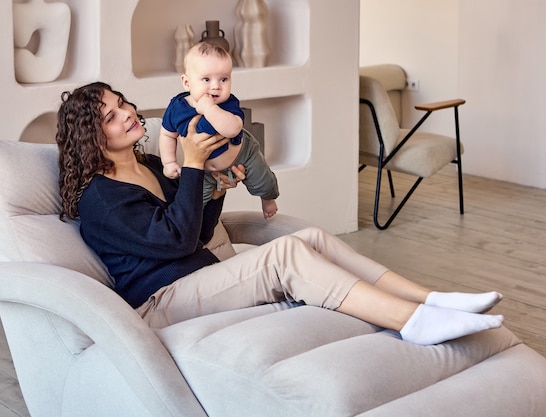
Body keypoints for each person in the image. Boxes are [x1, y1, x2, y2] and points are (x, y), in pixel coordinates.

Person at [56, 81, 504, 346]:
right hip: (160, 303)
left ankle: (428, 298)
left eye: (123, 103)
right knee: (286, 254)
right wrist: (194, 166)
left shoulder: (154, 165)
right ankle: (414, 323)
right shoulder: (102, 198)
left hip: (196, 276)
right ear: (93, 138)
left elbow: (193, 233)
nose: (129, 114)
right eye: (112, 116)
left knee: (312, 238)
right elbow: (173, 241)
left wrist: (213, 191)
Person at [159, 42, 279, 220]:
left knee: (263, 181)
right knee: (194, 205)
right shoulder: (177, 108)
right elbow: (167, 134)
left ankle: (267, 199)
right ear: (186, 82)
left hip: (243, 154)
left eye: (224, 79)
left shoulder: (228, 104)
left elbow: (232, 129)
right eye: (206, 79)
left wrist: (209, 109)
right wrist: (168, 163)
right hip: (204, 169)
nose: (216, 86)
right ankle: (195, 233)